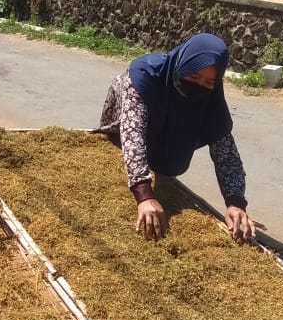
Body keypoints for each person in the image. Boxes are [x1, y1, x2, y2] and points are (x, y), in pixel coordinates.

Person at [96, 32, 256, 243]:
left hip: (167, 126)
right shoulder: (144, 76)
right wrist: (144, 195)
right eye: (192, 77)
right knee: (124, 150)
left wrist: (235, 203)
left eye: (209, 82)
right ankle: (139, 175)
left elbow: (226, 154)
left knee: (169, 165)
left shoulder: (211, 101)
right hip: (124, 125)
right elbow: (132, 134)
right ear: (181, 65)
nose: (198, 86)